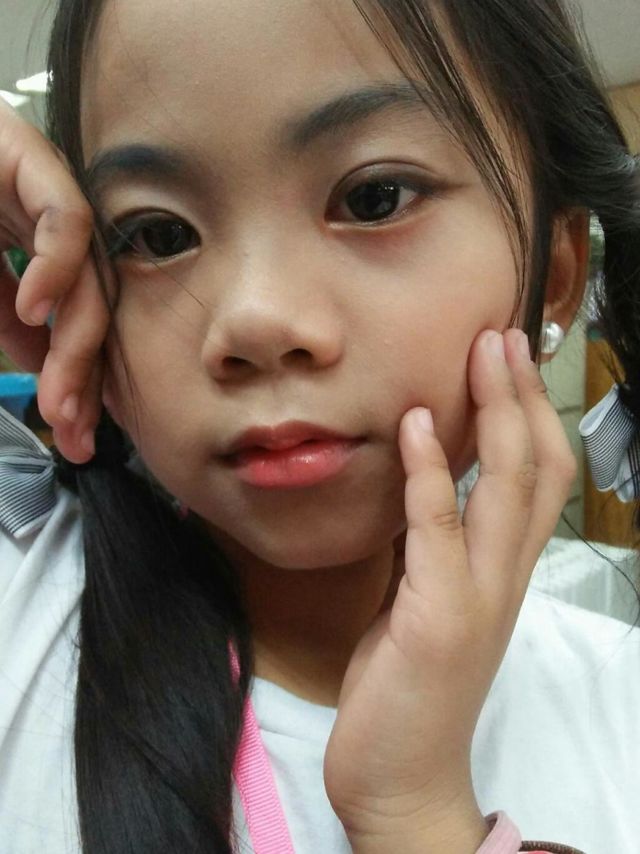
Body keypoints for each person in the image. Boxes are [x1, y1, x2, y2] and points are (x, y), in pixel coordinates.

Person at [0, 0, 639, 852]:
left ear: (555, 274)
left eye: (375, 198)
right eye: (156, 234)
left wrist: (416, 815)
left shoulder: (621, 705)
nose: (255, 320)